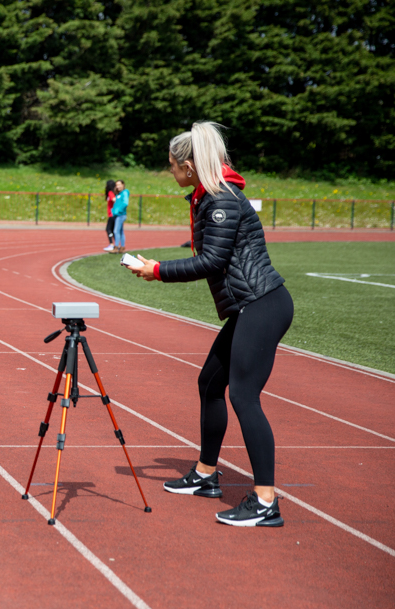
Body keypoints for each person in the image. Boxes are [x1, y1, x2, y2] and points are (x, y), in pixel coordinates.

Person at [128, 121, 293, 527]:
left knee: (244, 397)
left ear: (188, 165)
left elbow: (212, 262)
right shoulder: (212, 196)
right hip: (249, 307)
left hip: (262, 305)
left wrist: (158, 270)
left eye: (172, 166)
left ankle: (265, 500)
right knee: (209, 383)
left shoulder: (221, 199)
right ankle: (205, 475)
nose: (171, 172)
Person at [111, 179, 129, 253]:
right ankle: (122, 247)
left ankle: (116, 247)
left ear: (123, 185)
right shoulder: (119, 194)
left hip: (120, 215)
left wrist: (118, 211)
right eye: (116, 185)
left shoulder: (124, 193)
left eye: (119, 185)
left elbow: (125, 203)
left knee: (116, 231)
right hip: (118, 215)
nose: (117, 186)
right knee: (121, 231)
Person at [103, 180, 116, 251]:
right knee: (113, 230)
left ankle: (112, 244)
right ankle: (116, 244)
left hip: (112, 214)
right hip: (112, 214)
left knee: (108, 229)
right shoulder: (112, 193)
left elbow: (114, 200)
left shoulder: (110, 192)